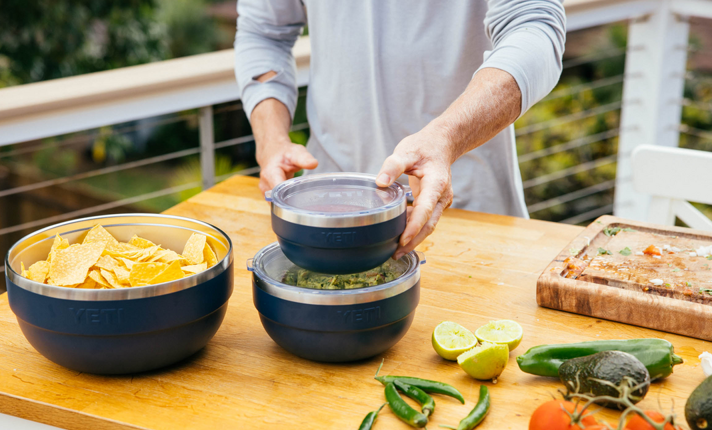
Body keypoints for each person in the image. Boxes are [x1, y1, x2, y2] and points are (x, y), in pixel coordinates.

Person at [234, 0, 566, 258]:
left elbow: (535, 29)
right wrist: (271, 138)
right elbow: (263, 32)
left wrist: (446, 138)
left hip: (468, 215)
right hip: (324, 216)